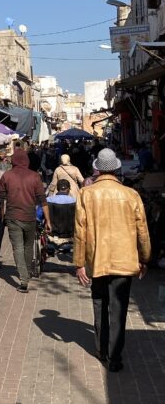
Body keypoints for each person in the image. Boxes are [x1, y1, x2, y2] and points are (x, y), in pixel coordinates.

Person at [74, 148, 150, 372]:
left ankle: (101, 349)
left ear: (97, 168)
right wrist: (144, 258)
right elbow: (142, 230)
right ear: (117, 168)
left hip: (97, 260)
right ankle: (115, 356)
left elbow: (80, 231)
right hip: (124, 261)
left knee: (100, 304)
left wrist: (79, 263)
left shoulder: (86, 194)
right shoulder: (131, 194)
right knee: (119, 308)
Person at [0, 149, 50, 292]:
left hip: (13, 216)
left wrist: (2, 215)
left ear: (13, 161)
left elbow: (0, 199)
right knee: (28, 246)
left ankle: (23, 277)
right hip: (30, 217)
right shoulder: (35, 176)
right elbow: (43, 200)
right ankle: (25, 272)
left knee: (18, 248)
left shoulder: (6, 176)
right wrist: (49, 221)